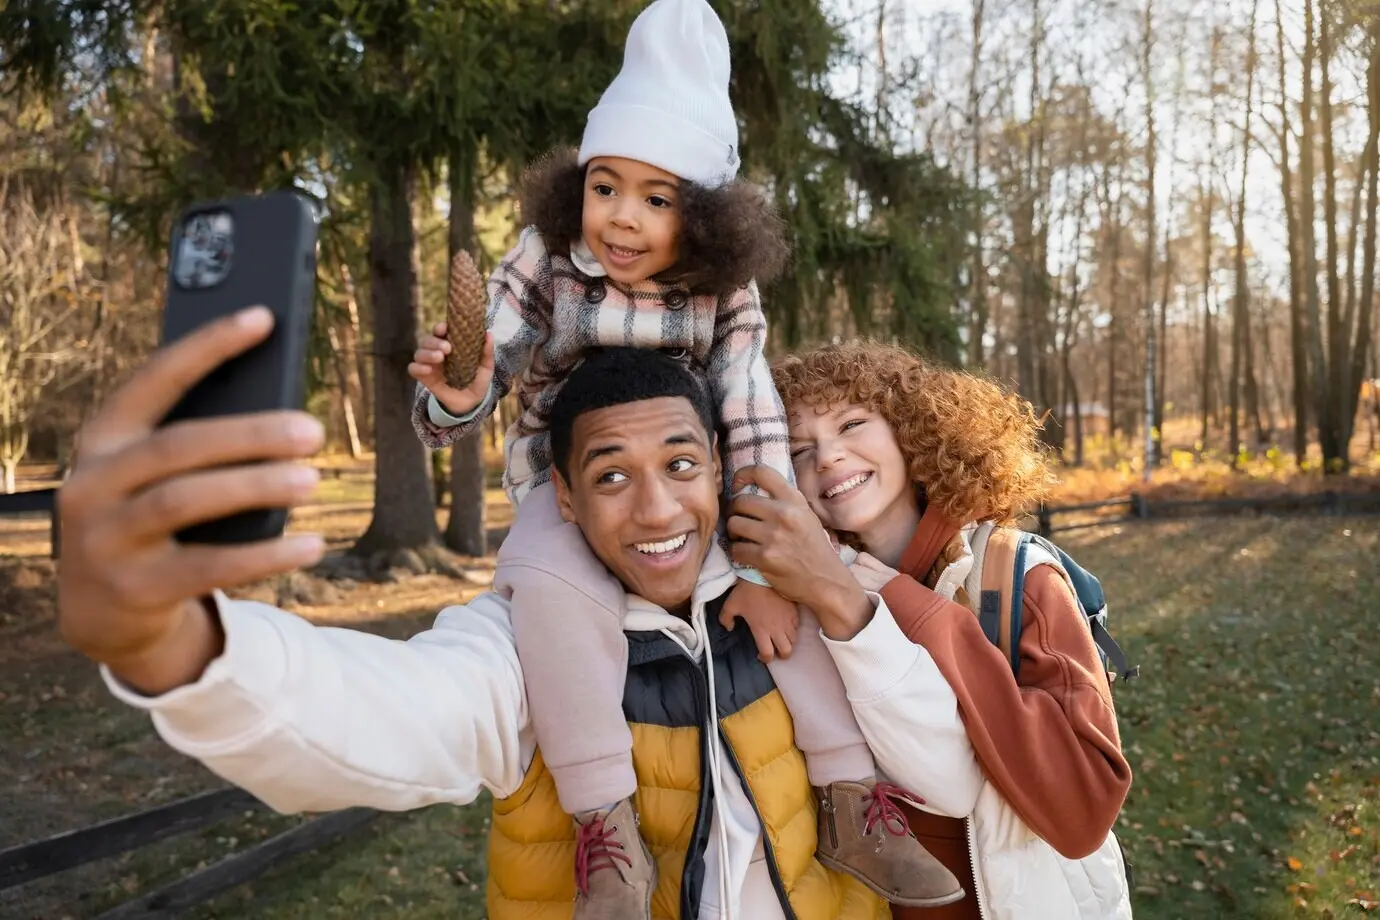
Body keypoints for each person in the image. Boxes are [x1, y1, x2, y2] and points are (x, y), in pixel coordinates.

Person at [56, 325, 982, 920]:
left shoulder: (812, 592)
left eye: (681, 466)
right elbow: (402, 713)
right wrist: (181, 648)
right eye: (613, 476)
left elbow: (953, 776)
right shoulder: (530, 640)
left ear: (720, 465)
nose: (658, 511)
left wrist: (839, 603)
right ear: (567, 502)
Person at [405, 0, 958, 912]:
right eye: (605, 186)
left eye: (656, 199)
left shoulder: (723, 294)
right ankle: (607, 828)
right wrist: (457, 394)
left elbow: (751, 414)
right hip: (569, 485)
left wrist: (761, 556)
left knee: (795, 604)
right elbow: (486, 359)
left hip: (693, 482)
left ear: (699, 217)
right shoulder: (546, 258)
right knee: (549, 597)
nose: (621, 220)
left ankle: (853, 797)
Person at [720, 340, 1135, 920]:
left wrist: (885, 598)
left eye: (852, 423)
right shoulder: (791, 601)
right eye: (800, 448)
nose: (829, 457)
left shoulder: (1018, 579)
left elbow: (1083, 812)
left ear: (911, 431)